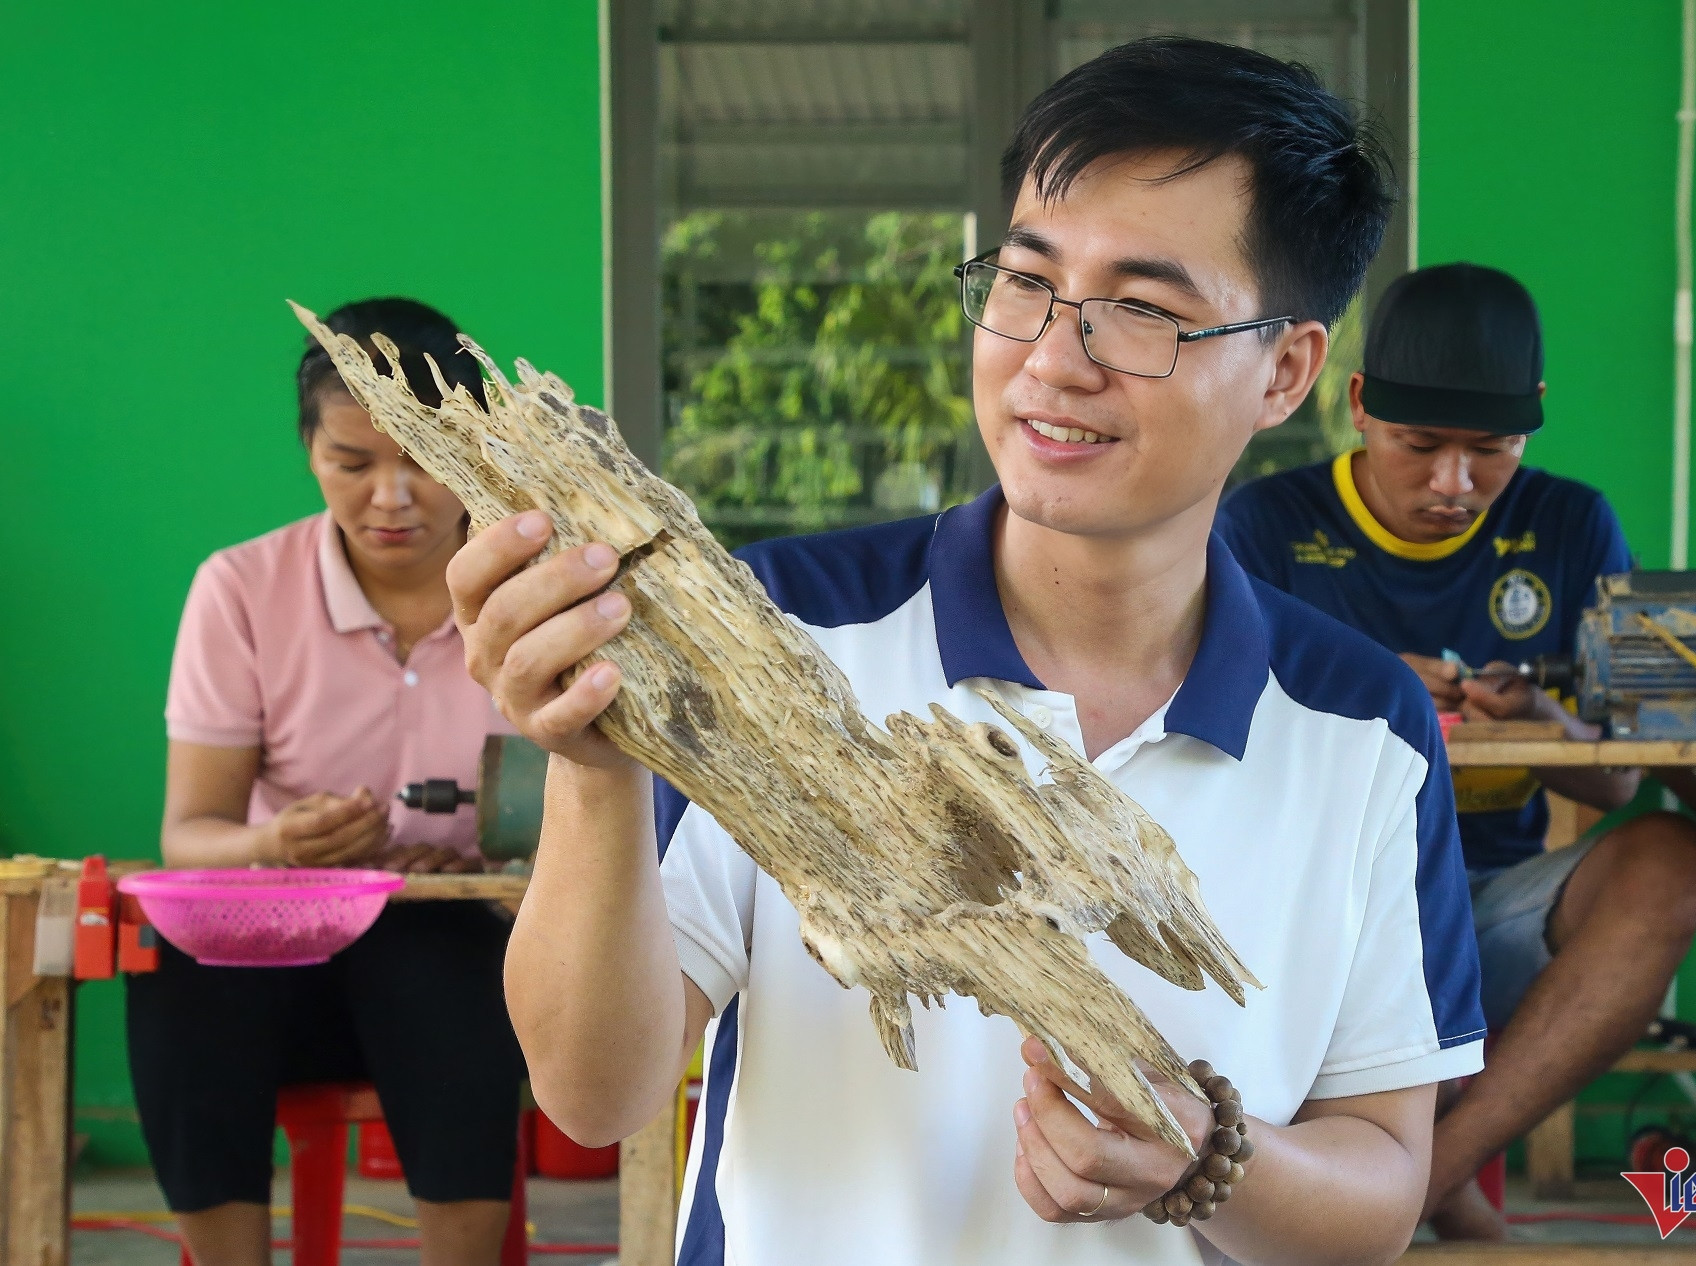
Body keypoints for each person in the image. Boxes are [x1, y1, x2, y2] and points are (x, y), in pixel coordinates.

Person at [453, 38, 1484, 1266]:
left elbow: (1380, 1187)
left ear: (1287, 372)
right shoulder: (777, 632)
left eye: (1144, 312)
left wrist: (1205, 1157)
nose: (1052, 359)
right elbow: (591, 1093)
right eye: (1026, 281)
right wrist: (595, 767)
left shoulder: (1363, 728)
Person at [1217, 263, 1696, 1240]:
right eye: (1420, 446)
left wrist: (1541, 720)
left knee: (1675, 860)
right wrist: (1373, 686)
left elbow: (1618, 781)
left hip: (1494, 905)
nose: (1455, 483)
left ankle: (1423, 1182)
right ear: (1358, 407)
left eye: (1491, 450)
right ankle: (1422, 1200)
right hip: (1318, 920)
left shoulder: (1568, 525)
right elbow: (1216, 765)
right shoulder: (1266, 528)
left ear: (1530, 422)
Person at [127, 298, 528, 1266]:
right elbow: (192, 833)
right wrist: (276, 844)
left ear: (481, 448)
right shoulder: (241, 589)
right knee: (179, 970)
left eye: (425, 458)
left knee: (440, 958)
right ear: (309, 450)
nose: (391, 497)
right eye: (352, 463)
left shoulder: (535, 593)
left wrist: (510, 877)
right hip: (279, 965)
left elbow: (606, 820)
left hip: (465, 967)